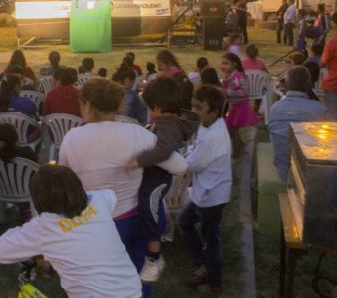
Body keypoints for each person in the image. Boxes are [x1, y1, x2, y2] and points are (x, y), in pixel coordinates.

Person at [58, 78, 187, 298]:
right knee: (138, 278)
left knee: (100, 284)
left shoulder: (72, 138)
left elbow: (64, 179)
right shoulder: (137, 134)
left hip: (92, 224)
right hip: (134, 220)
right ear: (117, 104)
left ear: (87, 105)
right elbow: (180, 166)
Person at [0, 165, 144, 298]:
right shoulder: (99, 200)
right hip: (131, 290)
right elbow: (111, 196)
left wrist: (16, 232)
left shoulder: (44, 227)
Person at [124, 77, 199, 283]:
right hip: (155, 174)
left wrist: (138, 161)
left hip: (158, 177)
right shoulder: (168, 122)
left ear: (157, 107)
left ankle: (154, 258)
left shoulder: (168, 125)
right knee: (148, 207)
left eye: (149, 107)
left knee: (148, 206)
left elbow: (163, 151)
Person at [178, 85, 233, 295]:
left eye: (199, 108)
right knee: (185, 222)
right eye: (193, 106)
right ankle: (202, 263)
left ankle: (215, 282)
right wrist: (190, 153)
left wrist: (182, 157)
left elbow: (193, 163)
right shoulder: (207, 125)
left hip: (212, 196)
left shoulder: (214, 136)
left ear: (215, 110)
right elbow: (195, 148)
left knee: (211, 240)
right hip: (203, 191)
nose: (194, 111)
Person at [268, 66, 332, 181]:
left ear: (287, 84)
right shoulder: (320, 110)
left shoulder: (275, 109)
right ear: (309, 85)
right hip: (311, 173)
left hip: (283, 171)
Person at [0, 123, 39, 222]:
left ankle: (21, 209)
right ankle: (25, 208)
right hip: (26, 191)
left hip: (2, 190)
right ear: (16, 137)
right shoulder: (27, 152)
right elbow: (37, 174)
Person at [220, 53, 257, 156]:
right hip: (233, 106)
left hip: (241, 107)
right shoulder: (228, 76)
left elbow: (245, 92)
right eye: (222, 63)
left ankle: (238, 151)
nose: (223, 66)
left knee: (233, 130)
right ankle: (239, 147)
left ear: (234, 64)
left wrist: (228, 92)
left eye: (226, 63)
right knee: (230, 130)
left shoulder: (239, 76)